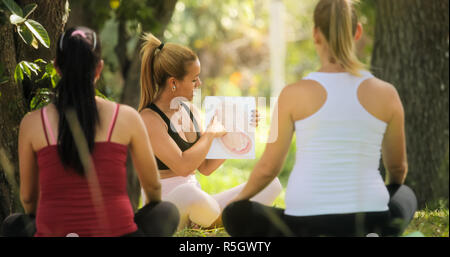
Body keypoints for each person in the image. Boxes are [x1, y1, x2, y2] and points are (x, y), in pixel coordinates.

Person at [222, 0, 417, 237]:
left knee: (236, 214)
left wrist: (236, 202)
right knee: (405, 194)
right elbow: (398, 167)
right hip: (370, 220)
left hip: (304, 224)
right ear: (357, 32)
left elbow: (268, 168)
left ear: (316, 34)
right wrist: (391, 189)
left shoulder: (292, 94)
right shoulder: (386, 93)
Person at [0, 27, 179, 237]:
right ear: (98, 68)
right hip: (117, 233)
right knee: (166, 211)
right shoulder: (127, 117)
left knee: (14, 224)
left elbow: (29, 199)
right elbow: (153, 188)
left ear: (57, 67)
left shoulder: (32, 123)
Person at [138, 33, 283, 229]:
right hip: (168, 211)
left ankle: (208, 221)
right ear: (173, 83)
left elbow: (205, 168)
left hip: (200, 205)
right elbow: (183, 167)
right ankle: (220, 220)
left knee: (271, 184)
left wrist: (239, 129)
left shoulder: (191, 111)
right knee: (190, 194)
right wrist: (210, 134)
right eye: (194, 79)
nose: (199, 84)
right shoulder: (149, 119)